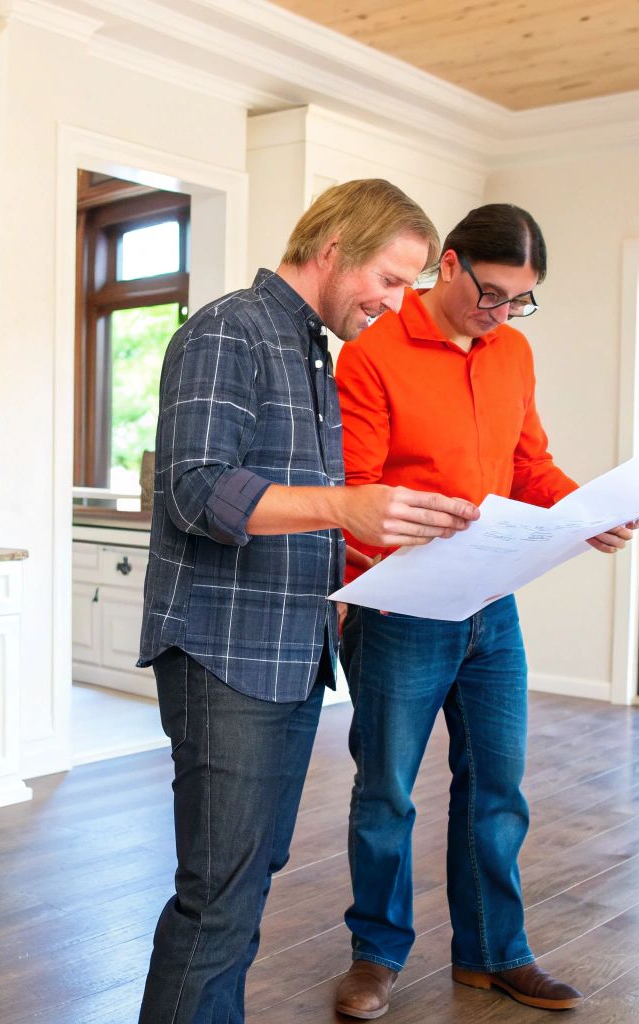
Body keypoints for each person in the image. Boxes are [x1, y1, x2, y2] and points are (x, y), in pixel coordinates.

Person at [135, 179, 481, 1024]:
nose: (400, 306)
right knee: (218, 897)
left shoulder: (311, 351)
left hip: (286, 651)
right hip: (226, 652)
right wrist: (344, 507)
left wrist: (392, 538)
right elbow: (192, 489)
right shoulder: (229, 331)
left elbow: (294, 505)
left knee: (246, 880)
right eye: (391, 282)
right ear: (332, 250)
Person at [330, 204, 639, 1018]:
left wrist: (586, 511)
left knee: (497, 787)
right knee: (387, 793)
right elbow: (356, 489)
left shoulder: (512, 353)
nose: (501, 314)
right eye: (493, 293)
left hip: (491, 607)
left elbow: (528, 463)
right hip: (401, 609)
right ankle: (375, 957)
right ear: (451, 264)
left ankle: (493, 954)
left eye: (519, 301)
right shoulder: (372, 353)